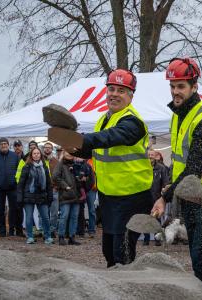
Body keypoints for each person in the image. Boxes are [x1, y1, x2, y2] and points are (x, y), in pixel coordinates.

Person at [150, 58, 202, 299]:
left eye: (181, 86)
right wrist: (173, 186)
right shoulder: (178, 115)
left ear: (194, 87)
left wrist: (165, 196)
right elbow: (182, 163)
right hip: (192, 198)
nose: (176, 92)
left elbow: (196, 167)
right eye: (173, 86)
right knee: (200, 262)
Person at [69, 69, 153, 265]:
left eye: (121, 91)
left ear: (131, 96)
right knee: (109, 250)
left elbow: (111, 138)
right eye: (111, 89)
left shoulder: (133, 122)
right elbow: (96, 150)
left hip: (132, 195)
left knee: (121, 251)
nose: (114, 94)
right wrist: (73, 148)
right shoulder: (103, 120)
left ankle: (125, 290)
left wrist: (80, 139)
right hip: (109, 195)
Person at [18, 147, 53, 245]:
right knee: (29, 217)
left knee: (45, 217)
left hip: (42, 195)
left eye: (38, 153)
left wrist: (50, 196)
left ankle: (47, 236)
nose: (36, 155)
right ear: (31, 155)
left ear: (40, 155)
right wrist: (20, 198)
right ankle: (30, 237)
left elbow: (49, 184)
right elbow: (21, 184)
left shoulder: (44, 167)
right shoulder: (26, 167)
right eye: (34, 153)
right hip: (28, 195)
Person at [0, 137, 23, 237]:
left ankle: (15, 230)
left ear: (8, 145)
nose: (3, 145)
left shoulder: (15, 156)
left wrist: (16, 182)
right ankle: (2, 231)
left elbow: (20, 171)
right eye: (1, 144)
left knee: (15, 209)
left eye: (5, 143)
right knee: (0, 210)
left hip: (13, 187)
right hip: (0, 188)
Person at [53, 150, 83, 246]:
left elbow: (80, 177)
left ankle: (71, 237)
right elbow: (55, 177)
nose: (69, 154)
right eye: (67, 152)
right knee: (64, 216)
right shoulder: (60, 164)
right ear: (64, 153)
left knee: (74, 217)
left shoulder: (76, 164)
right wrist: (65, 186)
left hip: (76, 194)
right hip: (65, 195)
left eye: (71, 152)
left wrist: (81, 177)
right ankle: (61, 237)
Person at [143, 150, 169, 246]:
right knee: (146, 218)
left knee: (156, 219)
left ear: (155, 156)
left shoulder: (161, 168)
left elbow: (165, 182)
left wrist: (163, 195)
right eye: (149, 155)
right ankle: (146, 239)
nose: (150, 156)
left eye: (152, 155)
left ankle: (157, 239)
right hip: (145, 197)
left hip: (156, 197)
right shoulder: (143, 168)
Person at [72, 156, 96, 238]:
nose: (78, 158)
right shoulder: (73, 166)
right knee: (79, 211)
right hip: (78, 191)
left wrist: (86, 184)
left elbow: (92, 179)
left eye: (80, 156)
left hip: (90, 190)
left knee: (92, 210)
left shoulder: (88, 165)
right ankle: (78, 230)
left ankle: (91, 230)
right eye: (77, 156)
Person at [43, 142, 60, 237]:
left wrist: (57, 187)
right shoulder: (40, 160)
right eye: (45, 147)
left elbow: (59, 175)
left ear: (52, 149)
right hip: (43, 190)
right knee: (43, 213)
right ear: (43, 149)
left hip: (54, 190)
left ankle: (53, 230)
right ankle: (44, 231)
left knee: (54, 213)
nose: (47, 149)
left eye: (49, 148)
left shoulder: (56, 161)